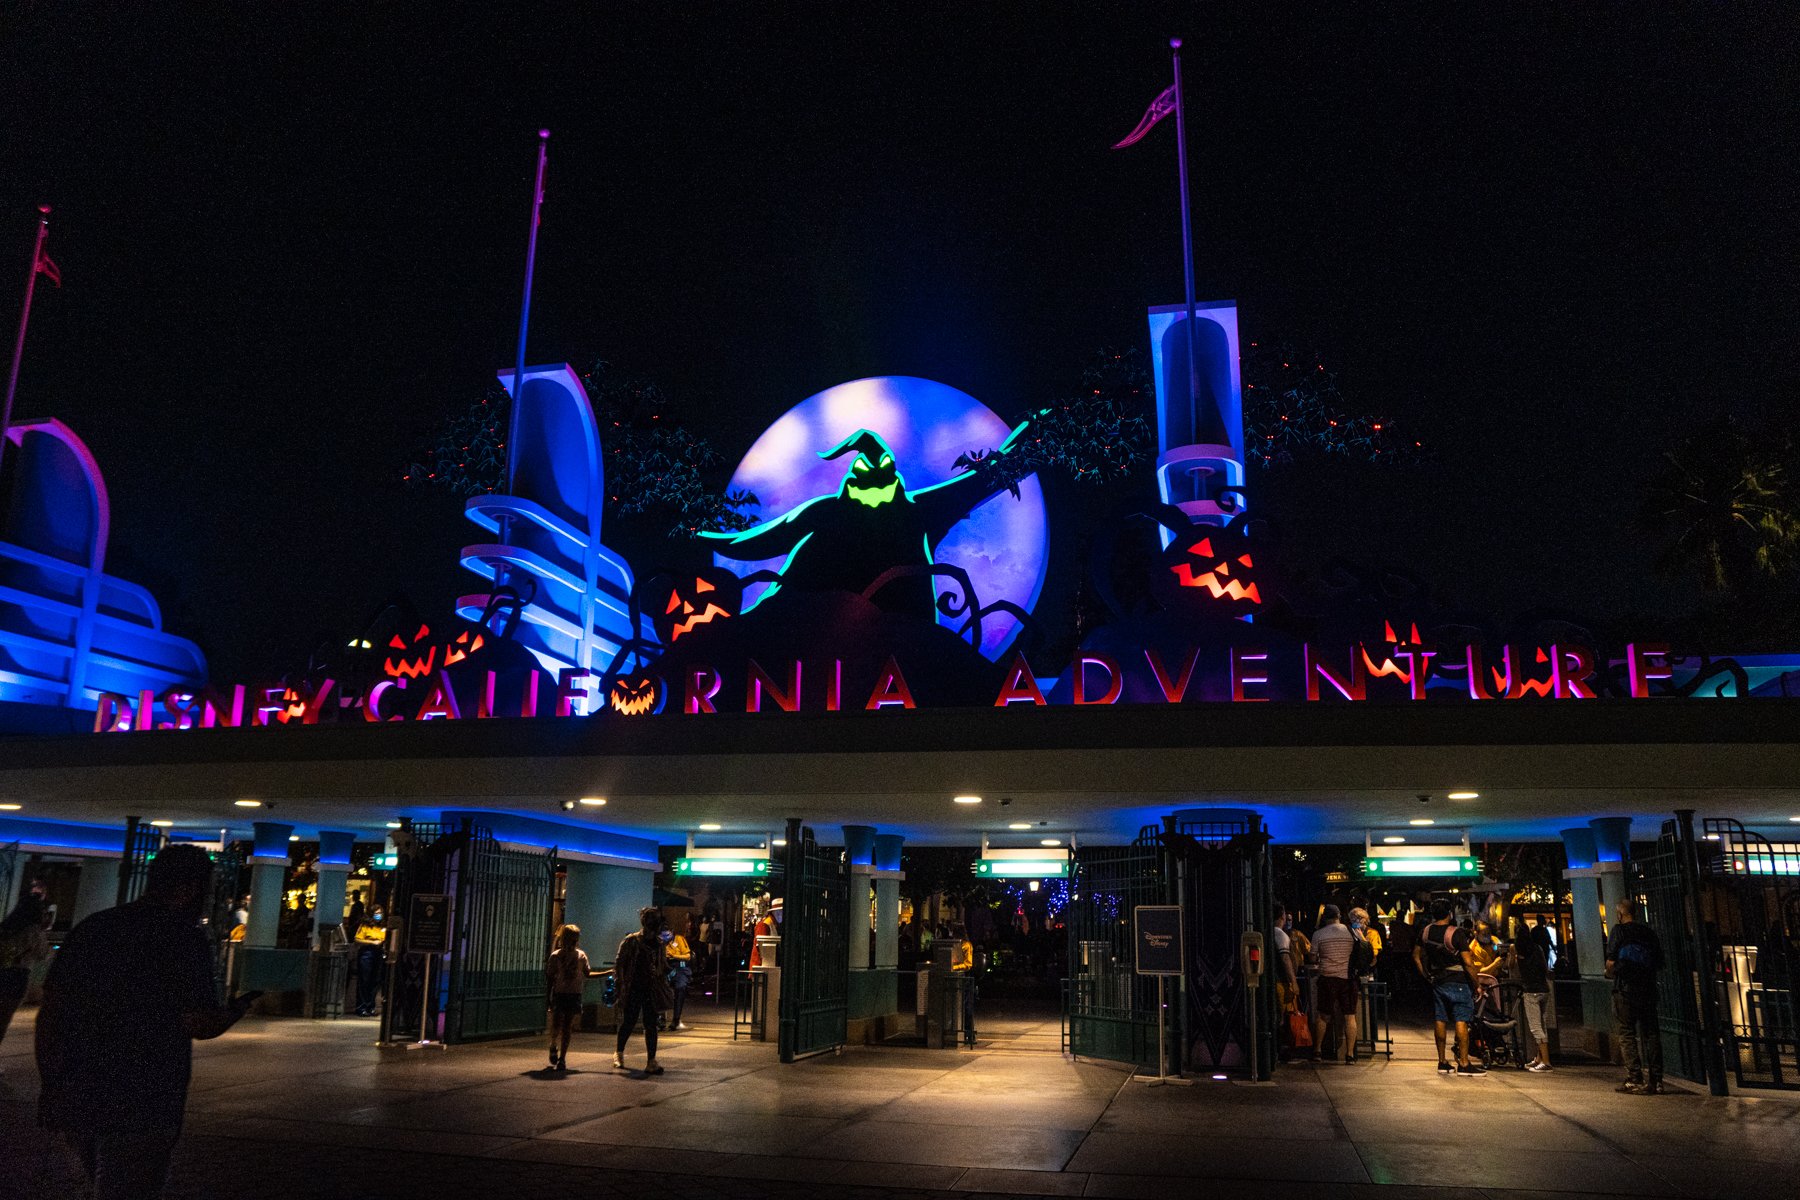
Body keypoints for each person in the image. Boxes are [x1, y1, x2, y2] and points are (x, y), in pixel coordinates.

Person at [36, 844, 256, 1199]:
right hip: (150, 1089)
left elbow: (52, 1013)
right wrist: (236, 1010)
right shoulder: (184, 939)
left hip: (82, 1081)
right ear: (189, 889)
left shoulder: (94, 928)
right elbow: (200, 1023)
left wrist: (51, 1082)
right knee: (131, 1183)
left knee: (100, 1177)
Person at [1414, 898, 1486, 1077]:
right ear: (1449, 913)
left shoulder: (1425, 932)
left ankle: (1442, 1062)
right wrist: (1477, 985)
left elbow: (1415, 955)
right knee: (1461, 1020)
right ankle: (1463, 1063)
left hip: (1438, 981)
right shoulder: (1456, 933)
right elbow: (1468, 962)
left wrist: (1425, 974)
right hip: (1459, 982)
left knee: (1440, 1019)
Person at [1606, 898, 1664, 1095]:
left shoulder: (1619, 931)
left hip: (1626, 989)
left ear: (1620, 914)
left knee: (1627, 1033)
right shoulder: (1648, 932)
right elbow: (1659, 961)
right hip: (1648, 989)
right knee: (1651, 1033)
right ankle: (1656, 1080)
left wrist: (1612, 972)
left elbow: (1610, 962)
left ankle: (1635, 1078)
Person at [613, 907, 673, 1074]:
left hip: (651, 989)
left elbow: (662, 966)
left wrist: (668, 972)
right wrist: (620, 984)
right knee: (629, 1022)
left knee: (651, 1024)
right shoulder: (631, 941)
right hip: (633, 987)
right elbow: (619, 963)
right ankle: (619, 1053)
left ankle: (651, 1060)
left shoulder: (659, 944)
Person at [0, 880, 53, 1053]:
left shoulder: (6, 928)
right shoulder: (34, 932)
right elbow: (42, 954)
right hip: (17, 976)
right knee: (3, 1019)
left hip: (3, 970)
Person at [1311, 904, 1359, 1063]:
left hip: (1327, 978)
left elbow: (1312, 958)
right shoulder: (1350, 932)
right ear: (1339, 915)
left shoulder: (1318, 934)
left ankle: (1317, 1051)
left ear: (1325, 917)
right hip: (1347, 979)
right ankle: (1350, 1054)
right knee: (1350, 1016)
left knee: (1323, 1015)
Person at [544, 924, 593, 1070]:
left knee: (567, 1026)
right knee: (557, 1024)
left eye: (575, 939)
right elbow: (550, 978)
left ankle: (562, 1058)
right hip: (560, 993)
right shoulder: (556, 956)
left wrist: (608, 972)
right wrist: (549, 997)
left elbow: (587, 973)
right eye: (572, 939)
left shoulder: (581, 955)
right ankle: (553, 1045)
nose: (574, 942)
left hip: (574, 994)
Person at [1512, 921, 1553, 1072]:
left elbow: (1510, 966)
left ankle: (1546, 1062)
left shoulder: (1518, 949)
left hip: (1531, 990)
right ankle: (1539, 1058)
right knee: (1542, 1025)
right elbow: (1544, 967)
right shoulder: (1538, 948)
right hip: (1544, 989)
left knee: (1536, 1028)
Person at [351, 907, 386, 1016]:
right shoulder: (365, 926)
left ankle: (371, 1006)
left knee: (375, 981)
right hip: (367, 953)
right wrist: (371, 942)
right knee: (364, 980)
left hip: (379, 954)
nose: (379, 915)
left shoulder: (382, 927)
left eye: (380, 913)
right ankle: (361, 1006)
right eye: (376, 913)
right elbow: (357, 939)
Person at [661, 918, 693, 1031]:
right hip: (665, 966)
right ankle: (660, 1019)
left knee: (680, 988)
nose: (665, 935)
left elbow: (687, 956)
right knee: (660, 990)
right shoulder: (659, 942)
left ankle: (676, 1019)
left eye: (667, 932)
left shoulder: (679, 939)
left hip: (680, 967)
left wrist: (674, 955)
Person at [949, 923, 977, 1045]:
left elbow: (968, 964)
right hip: (955, 978)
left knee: (966, 1008)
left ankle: (969, 1034)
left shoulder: (966, 945)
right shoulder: (955, 944)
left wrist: (954, 967)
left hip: (964, 979)